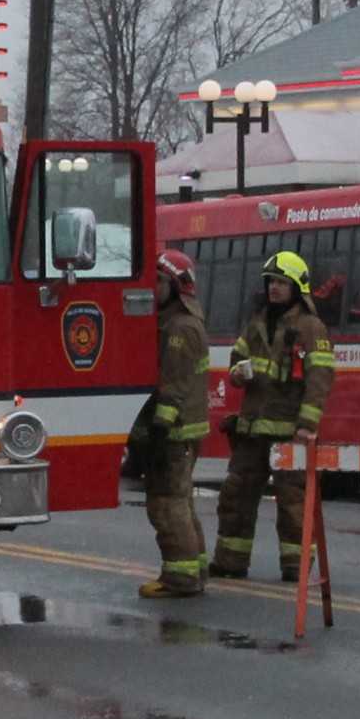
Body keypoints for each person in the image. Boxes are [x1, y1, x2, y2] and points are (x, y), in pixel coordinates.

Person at [214, 250, 336, 579]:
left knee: (292, 503)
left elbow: (320, 380)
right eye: (271, 283)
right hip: (252, 430)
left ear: (297, 288)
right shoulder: (256, 323)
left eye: (282, 283)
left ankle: (296, 568)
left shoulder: (311, 328)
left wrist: (307, 426)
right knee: (236, 496)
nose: (274, 289)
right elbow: (235, 362)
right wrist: (239, 373)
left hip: (289, 432)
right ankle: (229, 561)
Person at [138, 248, 212, 599]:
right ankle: (195, 567)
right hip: (181, 428)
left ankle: (180, 578)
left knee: (167, 502)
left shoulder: (181, 327)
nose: (151, 287)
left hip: (176, 429)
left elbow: (174, 383)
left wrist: (159, 428)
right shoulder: (172, 320)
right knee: (181, 500)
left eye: (158, 280)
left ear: (177, 285)